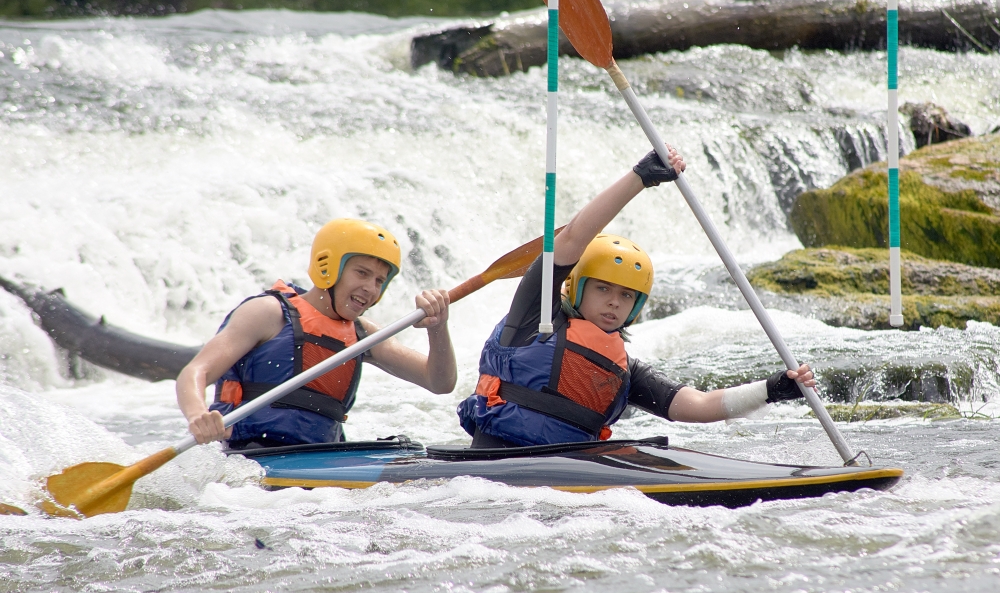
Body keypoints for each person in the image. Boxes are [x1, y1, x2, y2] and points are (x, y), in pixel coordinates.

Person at [457, 147, 815, 448]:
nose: (614, 302)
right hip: (496, 468)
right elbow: (570, 240)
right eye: (603, 289)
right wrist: (639, 179)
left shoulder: (624, 370)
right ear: (576, 287)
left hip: (568, 478)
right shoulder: (534, 319)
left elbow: (695, 405)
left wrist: (772, 389)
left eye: (627, 295)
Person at [177, 218, 457, 449]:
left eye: (379, 281)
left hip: (319, 461)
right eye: (362, 273)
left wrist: (438, 328)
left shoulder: (363, 335)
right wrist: (198, 415)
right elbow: (195, 372)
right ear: (329, 266)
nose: (371, 288)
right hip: (250, 460)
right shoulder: (267, 313)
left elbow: (439, 382)